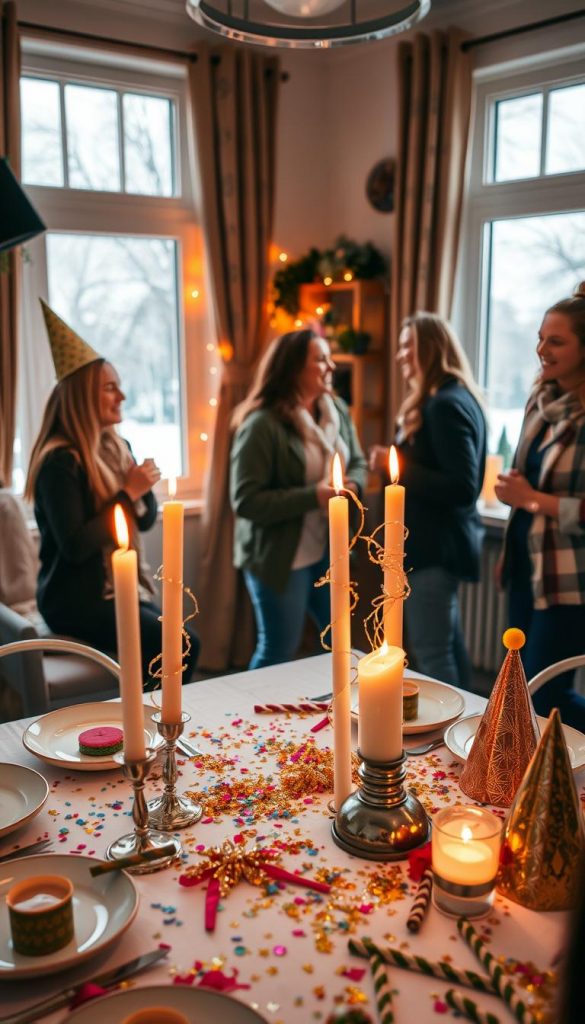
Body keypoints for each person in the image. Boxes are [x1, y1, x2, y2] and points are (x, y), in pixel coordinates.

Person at [24, 300, 199, 687]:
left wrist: (141, 491)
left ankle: (150, 713)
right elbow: (74, 545)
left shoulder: (117, 447)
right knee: (181, 645)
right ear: (83, 396)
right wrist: (127, 492)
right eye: (109, 388)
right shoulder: (59, 463)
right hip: (74, 600)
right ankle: (149, 719)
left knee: (179, 642)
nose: (121, 395)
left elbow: (146, 517)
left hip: (116, 588)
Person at [230, 328, 367, 669]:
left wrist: (353, 484)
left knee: (339, 641)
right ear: (293, 369)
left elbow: (360, 462)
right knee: (278, 647)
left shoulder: (337, 410)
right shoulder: (262, 425)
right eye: (320, 359)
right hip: (279, 555)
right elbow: (245, 500)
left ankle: (332, 711)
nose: (331, 366)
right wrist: (315, 497)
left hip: (328, 548)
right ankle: (252, 714)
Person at [369, 313, 486, 689]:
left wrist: (396, 467)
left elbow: (463, 486)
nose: (401, 355)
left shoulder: (444, 405)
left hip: (434, 549)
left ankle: (448, 739)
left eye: (408, 346)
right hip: (441, 547)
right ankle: (473, 732)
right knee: (448, 647)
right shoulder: (449, 397)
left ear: (431, 349)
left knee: (431, 652)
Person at [495, 283, 585, 731]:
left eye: (556, 340)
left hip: (567, 579)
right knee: (517, 688)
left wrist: (529, 498)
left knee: (545, 694)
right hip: (525, 568)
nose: (541, 349)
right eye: (540, 337)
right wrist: (514, 493)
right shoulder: (539, 399)